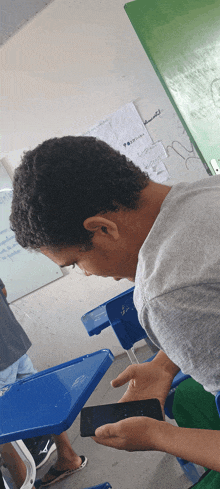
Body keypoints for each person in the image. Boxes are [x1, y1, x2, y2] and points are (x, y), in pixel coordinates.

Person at [9, 136, 220, 487]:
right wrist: (163, 364)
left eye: (76, 262)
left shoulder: (164, 292)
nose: (89, 273)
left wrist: (157, 435)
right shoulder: (208, 191)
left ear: (103, 228)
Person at [0, 280, 87, 488]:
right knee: (41, 398)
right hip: (13, 339)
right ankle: (68, 457)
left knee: (3, 430)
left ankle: (24, 484)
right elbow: (3, 290)